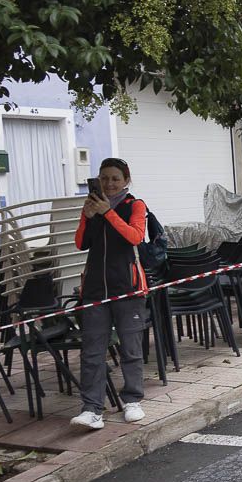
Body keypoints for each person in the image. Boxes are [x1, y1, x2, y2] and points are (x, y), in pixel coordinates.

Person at [70, 158, 150, 430]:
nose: (109, 183)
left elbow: (135, 236)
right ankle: (91, 409)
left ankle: (132, 400)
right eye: (104, 178)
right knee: (92, 351)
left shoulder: (134, 205)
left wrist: (108, 213)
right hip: (95, 290)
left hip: (128, 288)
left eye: (115, 178)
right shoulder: (93, 207)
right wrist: (88, 216)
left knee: (130, 348)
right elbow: (80, 243)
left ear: (126, 180)